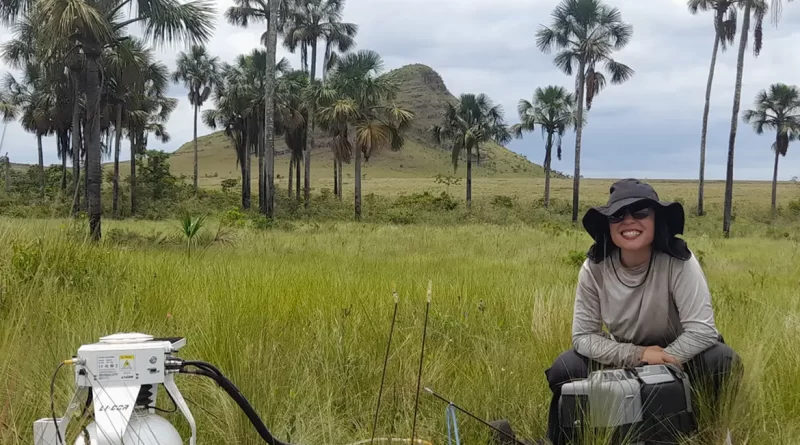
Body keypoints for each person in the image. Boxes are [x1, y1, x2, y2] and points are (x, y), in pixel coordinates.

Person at [544, 178, 741, 445]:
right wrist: (639, 355)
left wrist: (663, 360)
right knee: (565, 368)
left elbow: (702, 331)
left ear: (656, 219)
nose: (628, 221)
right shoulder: (594, 268)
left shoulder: (679, 261)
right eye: (617, 215)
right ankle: (568, 439)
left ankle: (711, 434)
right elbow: (583, 337)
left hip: (682, 355)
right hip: (625, 353)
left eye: (640, 212)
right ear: (608, 224)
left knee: (722, 360)